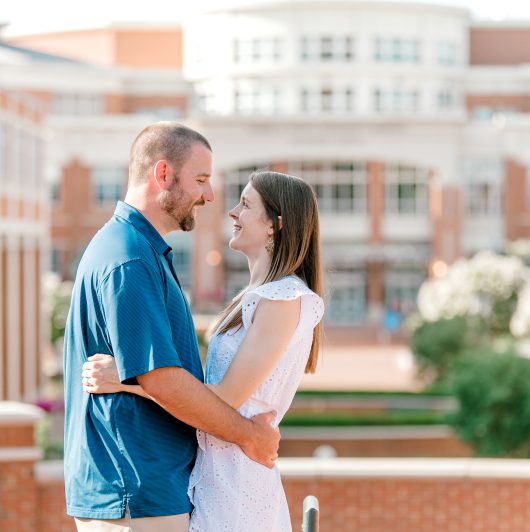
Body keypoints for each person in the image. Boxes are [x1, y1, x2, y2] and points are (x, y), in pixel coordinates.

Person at [64, 122, 280, 532]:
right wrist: (249, 436)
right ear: (162, 174)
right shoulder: (129, 257)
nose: (209, 195)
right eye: (200, 180)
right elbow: (162, 379)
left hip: (144, 489)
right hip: (135, 491)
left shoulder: (139, 250)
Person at [83, 170, 325, 531]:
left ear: (274, 225)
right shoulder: (254, 297)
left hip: (238, 483)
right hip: (214, 475)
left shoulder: (283, 298)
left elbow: (223, 398)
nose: (232, 212)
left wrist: (126, 378)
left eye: (245, 204)